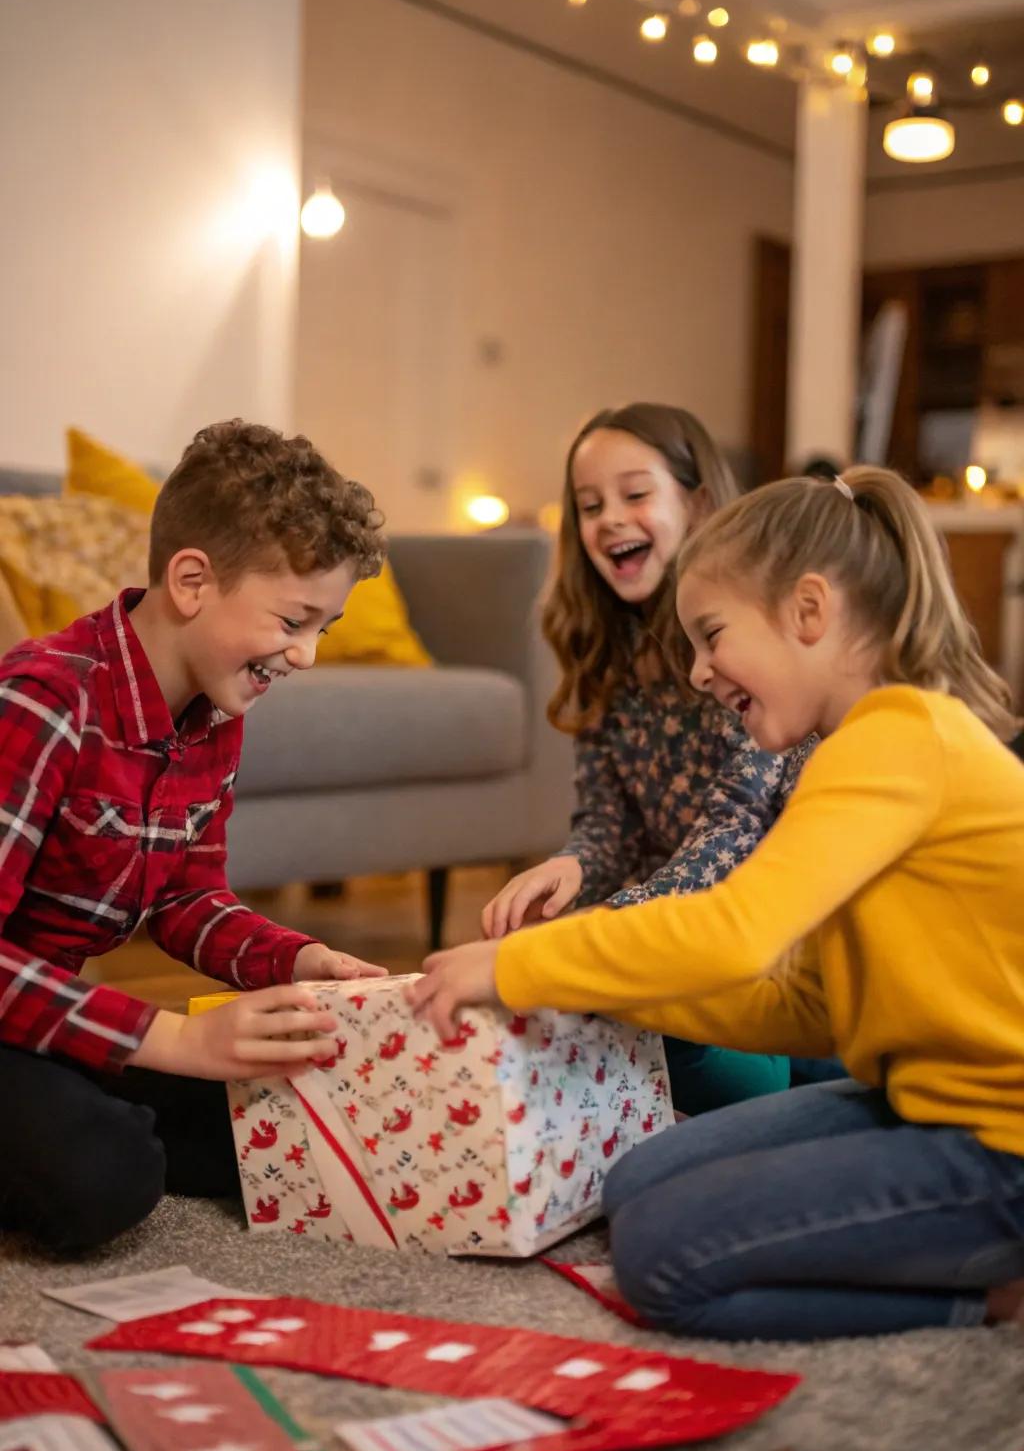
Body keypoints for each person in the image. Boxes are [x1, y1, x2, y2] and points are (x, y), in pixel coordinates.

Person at [410, 465, 1024, 1342]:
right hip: (921, 1098)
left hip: (1002, 1142)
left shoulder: (898, 738)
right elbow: (806, 1004)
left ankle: (995, 1296)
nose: (698, 673)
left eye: (711, 635)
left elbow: (736, 931)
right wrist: (586, 984)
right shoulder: (860, 747)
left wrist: (518, 966)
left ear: (810, 612)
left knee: (663, 1256)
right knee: (631, 1187)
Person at [0, 419, 387, 1253]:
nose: (308, 655)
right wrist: (170, 1037)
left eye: (325, 627)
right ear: (191, 581)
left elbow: (185, 899)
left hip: (44, 1023)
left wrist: (297, 958)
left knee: (283, 1117)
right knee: (106, 1177)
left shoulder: (213, 715)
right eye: (293, 619)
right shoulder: (44, 701)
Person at [481, 403, 808, 1112]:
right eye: (589, 504)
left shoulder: (743, 645)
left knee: (709, 1055)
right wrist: (568, 869)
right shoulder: (603, 645)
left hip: (777, 943)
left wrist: (597, 938)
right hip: (677, 936)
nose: (608, 519)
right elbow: (608, 822)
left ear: (696, 504)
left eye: (635, 494)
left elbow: (736, 835)